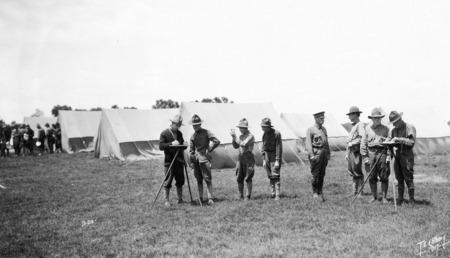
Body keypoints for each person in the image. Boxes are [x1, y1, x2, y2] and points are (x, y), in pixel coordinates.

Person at [386, 111, 417, 205]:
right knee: (399, 178)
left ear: (400, 119)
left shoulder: (409, 127)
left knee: (408, 178)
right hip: (397, 155)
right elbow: (390, 139)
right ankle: (400, 199)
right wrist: (387, 140)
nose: (394, 125)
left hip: (407, 156)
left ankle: (411, 199)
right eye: (392, 123)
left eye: (395, 122)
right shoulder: (393, 130)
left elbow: (411, 142)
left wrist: (399, 139)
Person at [189, 114, 220, 205]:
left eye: (196, 125)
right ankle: (201, 198)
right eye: (193, 125)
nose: (195, 127)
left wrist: (209, 149)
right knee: (199, 179)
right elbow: (191, 149)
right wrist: (192, 158)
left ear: (200, 124)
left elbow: (216, 141)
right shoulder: (192, 136)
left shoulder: (207, 132)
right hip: (196, 160)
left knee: (207, 179)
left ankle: (210, 198)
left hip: (205, 159)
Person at [361, 108, 390, 203]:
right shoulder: (367, 129)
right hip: (371, 154)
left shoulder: (386, 129)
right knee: (372, 176)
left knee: (384, 176)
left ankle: (384, 197)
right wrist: (365, 157)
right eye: (375, 118)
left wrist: (388, 156)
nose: (377, 120)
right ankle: (374, 196)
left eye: (379, 118)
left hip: (382, 153)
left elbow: (390, 143)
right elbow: (363, 144)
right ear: (372, 119)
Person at [159, 115, 186, 206]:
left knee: (180, 181)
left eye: (179, 125)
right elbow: (161, 146)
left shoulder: (179, 134)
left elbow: (182, 146)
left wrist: (184, 144)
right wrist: (171, 143)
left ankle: (180, 199)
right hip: (169, 162)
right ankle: (166, 201)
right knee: (168, 181)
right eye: (177, 125)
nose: (178, 127)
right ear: (173, 123)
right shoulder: (164, 133)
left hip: (179, 161)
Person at [305, 112, 330, 201]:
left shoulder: (324, 129)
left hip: (324, 153)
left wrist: (328, 153)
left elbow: (326, 142)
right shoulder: (311, 130)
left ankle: (320, 191)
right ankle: (315, 192)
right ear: (315, 118)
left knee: (322, 173)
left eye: (323, 118)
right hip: (316, 153)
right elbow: (308, 143)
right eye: (320, 118)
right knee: (315, 174)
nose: (322, 120)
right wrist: (311, 155)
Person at [230, 118, 255, 200]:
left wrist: (235, 136)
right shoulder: (240, 136)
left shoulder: (250, 136)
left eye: (242, 128)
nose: (240, 129)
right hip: (240, 157)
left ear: (246, 128)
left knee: (248, 177)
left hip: (248, 157)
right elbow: (236, 146)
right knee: (239, 177)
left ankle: (248, 196)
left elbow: (244, 144)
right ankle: (241, 195)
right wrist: (233, 138)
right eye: (239, 128)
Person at [260, 117, 283, 200]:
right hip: (267, 156)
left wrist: (277, 160)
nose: (262, 128)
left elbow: (278, 148)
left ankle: (277, 194)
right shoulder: (264, 134)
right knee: (270, 175)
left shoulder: (276, 134)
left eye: (263, 126)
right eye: (261, 126)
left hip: (274, 155)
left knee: (275, 174)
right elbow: (263, 148)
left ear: (268, 126)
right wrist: (263, 160)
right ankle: (272, 193)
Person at [345, 106, 365, 197]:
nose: (349, 117)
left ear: (355, 115)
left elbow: (362, 138)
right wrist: (347, 153)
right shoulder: (354, 126)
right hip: (351, 152)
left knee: (358, 171)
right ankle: (354, 191)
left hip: (356, 152)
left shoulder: (360, 125)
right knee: (352, 171)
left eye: (350, 115)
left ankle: (360, 192)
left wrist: (352, 143)